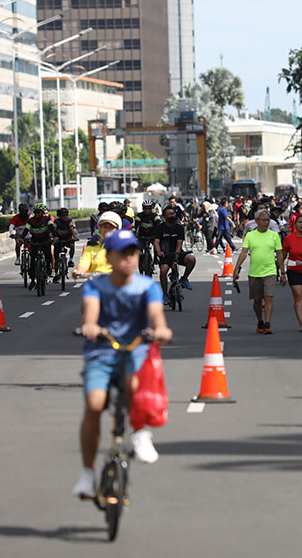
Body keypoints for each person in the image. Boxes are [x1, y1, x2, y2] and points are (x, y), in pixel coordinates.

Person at [73, 229, 173, 498]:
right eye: (122, 253)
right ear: (109, 256)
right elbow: (91, 311)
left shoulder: (147, 286)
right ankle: (87, 473)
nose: (128, 259)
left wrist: (161, 330)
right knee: (94, 405)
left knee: (133, 384)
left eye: (133, 253)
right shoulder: (96, 286)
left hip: (135, 352)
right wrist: (91, 327)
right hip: (101, 353)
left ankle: (140, 432)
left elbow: (155, 314)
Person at [233, 210, 285, 334]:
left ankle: (267, 323)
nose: (266, 222)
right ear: (257, 221)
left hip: (270, 271)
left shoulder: (274, 236)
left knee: (268, 298)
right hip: (254, 273)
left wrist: (283, 272)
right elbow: (244, 253)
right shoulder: (250, 236)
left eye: (268, 220)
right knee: (257, 301)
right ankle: (260, 320)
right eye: (263, 220)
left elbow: (280, 254)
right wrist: (236, 269)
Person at [153, 206, 196, 299]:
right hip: (165, 254)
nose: (172, 215)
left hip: (177, 253)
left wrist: (175, 260)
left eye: (173, 213)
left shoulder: (179, 228)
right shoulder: (160, 228)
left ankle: (184, 279)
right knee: (163, 270)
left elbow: (179, 244)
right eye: (169, 214)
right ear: (164, 217)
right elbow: (156, 241)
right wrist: (159, 251)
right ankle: (164, 294)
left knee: (191, 259)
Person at [74, 211, 121, 277]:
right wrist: (78, 271)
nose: (107, 230)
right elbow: (84, 264)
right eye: (104, 226)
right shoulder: (92, 247)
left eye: (111, 227)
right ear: (99, 228)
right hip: (94, 284)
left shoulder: (123, 246)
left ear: (117, 229)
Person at [24, 203, 56, 290]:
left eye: (39, 212)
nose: (37, 214)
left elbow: (52, 228)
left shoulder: (47, 219)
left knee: (48, 254)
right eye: (36, 212)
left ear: (42, 213)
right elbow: (26, 230)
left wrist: (55, 236)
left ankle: (48, 267)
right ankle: (33, 281)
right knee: (32, 261)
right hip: (35, 242)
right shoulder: (31, 221)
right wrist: (21, 238)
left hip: (45, 241)